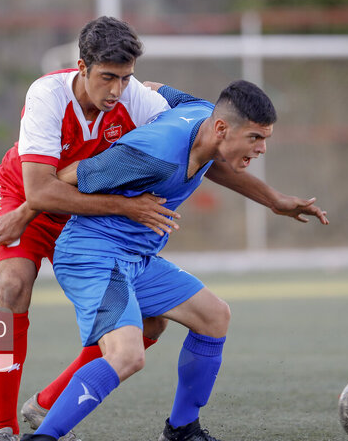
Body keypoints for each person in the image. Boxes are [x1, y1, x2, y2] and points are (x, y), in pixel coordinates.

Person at [19, 80, 329, 441]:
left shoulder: (201, 114)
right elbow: (67, 178)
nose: (261, 149)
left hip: (136, 258)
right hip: (92, 256)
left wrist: (275, 200)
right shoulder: (151, 153)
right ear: (222, 129)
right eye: (256, 138)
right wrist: (24, 212)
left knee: (214, 316)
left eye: (265, 139)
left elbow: (154, 88)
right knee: (127, 356)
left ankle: (182, 430)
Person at [0, 16, 182, 441]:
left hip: (80, 211)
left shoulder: (138, 101)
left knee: (151, 321)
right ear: (81, 66)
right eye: (108, 77)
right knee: (12, 286)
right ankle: (4, 428)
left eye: (126, 79)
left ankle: (49, 402)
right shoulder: (47, 94)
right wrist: (126, 208)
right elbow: (41, 189)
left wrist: (270, 198)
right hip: (23, 194)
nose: (116, 90)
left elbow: (201, 143)